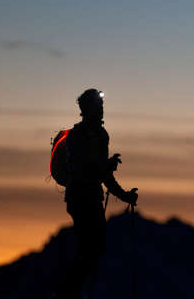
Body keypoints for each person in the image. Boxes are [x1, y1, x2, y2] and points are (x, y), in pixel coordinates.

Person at [56, 88, 139, 299]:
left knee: (94, 248)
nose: (102, 110)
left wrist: (125, 195)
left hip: (92, 198)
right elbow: (83, 170)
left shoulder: (102, 136)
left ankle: (70, 293)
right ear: (87, 109)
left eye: (102, 106)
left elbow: (103, 175)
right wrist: (106, 167)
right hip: (80, 199)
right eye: (98, 106)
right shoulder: (76, 137)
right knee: (89, 249)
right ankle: (68, 294)